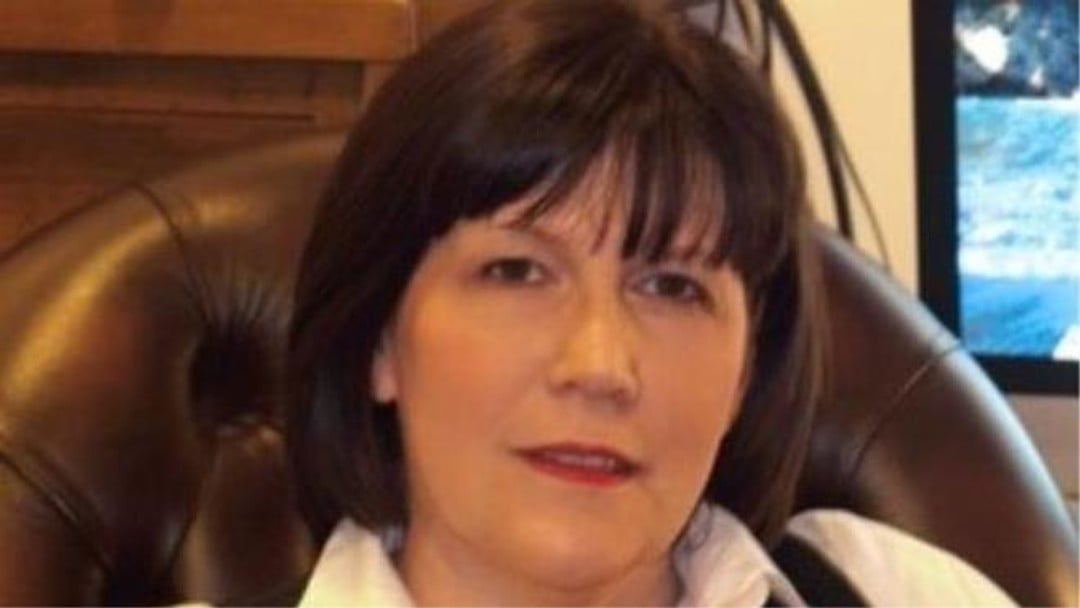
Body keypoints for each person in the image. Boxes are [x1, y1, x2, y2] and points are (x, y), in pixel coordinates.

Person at [286, 0, 1014, 605]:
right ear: (380, 339)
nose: (599, 366)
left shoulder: (893, 591)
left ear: (745, 365)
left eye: (672, 287)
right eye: (517, 272)